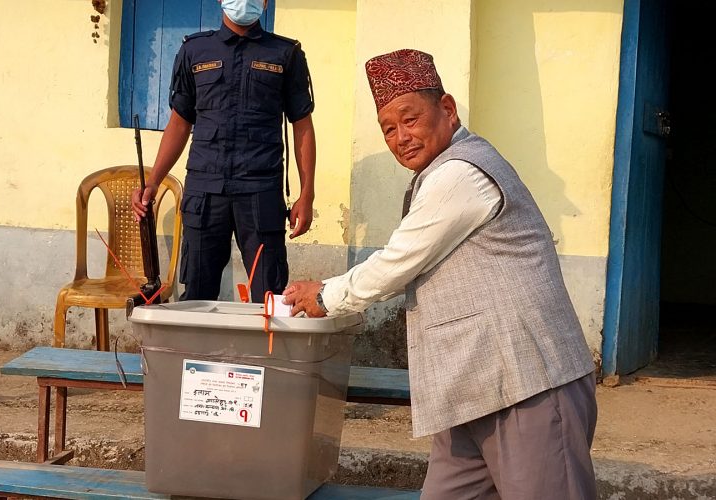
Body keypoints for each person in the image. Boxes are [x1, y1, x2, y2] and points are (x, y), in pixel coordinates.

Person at [283, 49, 598, 499]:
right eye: (388, 129)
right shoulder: (438, 175)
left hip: (528, 386)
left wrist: (327, 295)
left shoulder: (462, 173)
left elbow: (399, 260)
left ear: (447, 109)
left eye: (410, 119)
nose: (400, 137)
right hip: (473, 391)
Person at [130, 0, 316, 303]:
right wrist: (153, 181)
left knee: (269, 296)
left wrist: (306, 194)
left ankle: (264, 353)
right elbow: (179, 124)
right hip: (205, 193)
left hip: (260, 190)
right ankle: (197, 353)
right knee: (196, 295)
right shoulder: (194, 51)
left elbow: (303, 127)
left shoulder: (286, 54)